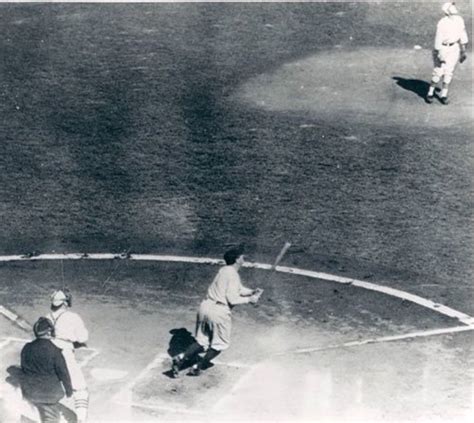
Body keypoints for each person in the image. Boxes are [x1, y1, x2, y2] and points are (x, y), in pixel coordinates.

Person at [171, 245, 263, 377]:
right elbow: (232, 299)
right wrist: (250, 300)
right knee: (220, 344)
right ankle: (198, 367)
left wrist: (251, 292)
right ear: (237, 260)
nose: (244, 259)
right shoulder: (233, 274)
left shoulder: (224, 271)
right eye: (242, 257)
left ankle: (180, 358)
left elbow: (238, 289)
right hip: (219, 312)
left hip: (205, 307)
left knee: (202, 341)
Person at [47, 289, 89, 423]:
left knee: (51, 387)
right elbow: (83, 338)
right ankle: (81, 420)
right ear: (65, 303)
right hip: (65, 354)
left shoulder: (46, 317)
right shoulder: (73, 317)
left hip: (48, 353)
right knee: (81, 390)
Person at [20, 317, 73, 423]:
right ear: (49, 332)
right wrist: (69, 392)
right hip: (49, 396)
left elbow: (24, 368)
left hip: (30, 393)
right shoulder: (55, 351)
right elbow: (63, 373)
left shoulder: (27, 348)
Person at [426, 2, 468, 104]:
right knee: (438, 71)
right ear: (447, 11)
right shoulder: (442, 23)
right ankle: (430, 93)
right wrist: (439, 52)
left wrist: (463, 51)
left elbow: (463, 35)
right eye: (451, 6)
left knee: (449, 71)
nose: (454, 7)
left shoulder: (459, 20)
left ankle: (444, 95)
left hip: (454, 48)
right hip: (442, 48)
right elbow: (438, 39)